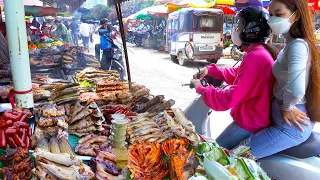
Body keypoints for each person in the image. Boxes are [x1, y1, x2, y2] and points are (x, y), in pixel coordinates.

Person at [235, 0, 320, 159]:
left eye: (279, 14)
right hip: (281, 120)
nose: (273, 20)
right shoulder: (290, 43)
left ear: (296, 15)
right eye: (271, 15)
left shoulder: (297, 46)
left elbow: (296, 89)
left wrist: (287, 106)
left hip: (289, 127)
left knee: (235, 158)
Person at [190, 7, 277, 151]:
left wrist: (202, 89)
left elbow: (231, 97)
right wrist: (211, 70)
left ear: (251, 30)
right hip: (254, 119)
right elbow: (239, 74)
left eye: (240, 26)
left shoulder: (256, 57)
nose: (236, 30)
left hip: (250, 123)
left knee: (213, 153)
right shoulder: (258, 52)